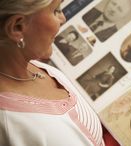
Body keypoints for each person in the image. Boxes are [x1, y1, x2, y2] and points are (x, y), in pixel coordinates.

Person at [0, 0, 119, 146]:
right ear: (17, 27)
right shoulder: (12, 123)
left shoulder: (39, 68)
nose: (63, 18)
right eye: (56, 10)